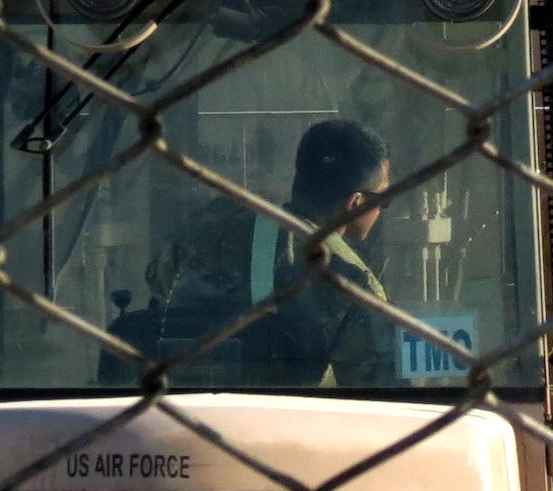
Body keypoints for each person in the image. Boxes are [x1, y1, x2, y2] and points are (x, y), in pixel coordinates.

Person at [143, 118, 396, 388]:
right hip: (281, 424)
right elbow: (376, 393)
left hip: (176, 406)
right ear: (355, 204)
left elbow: (156, 278)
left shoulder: (212, 222)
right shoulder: (351, 280)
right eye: (383, 198)